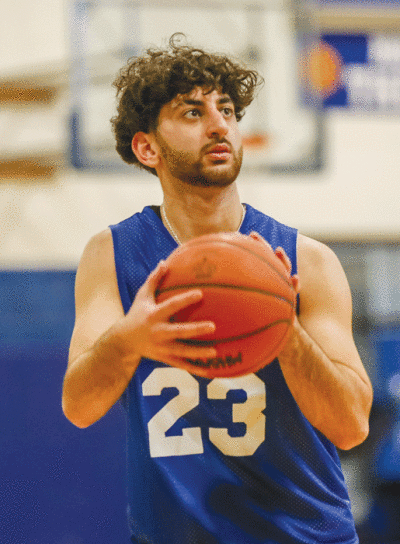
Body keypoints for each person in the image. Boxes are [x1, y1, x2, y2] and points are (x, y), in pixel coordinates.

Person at [62, 34, 373, 544]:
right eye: (191, 112)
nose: (218, 124)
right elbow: (79, 406)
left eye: (226, 109)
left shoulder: (307, 262)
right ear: (147, 147)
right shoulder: (111, 255)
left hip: (305, 536)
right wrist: (127, 341)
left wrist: (284, 331)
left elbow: (351, 425)